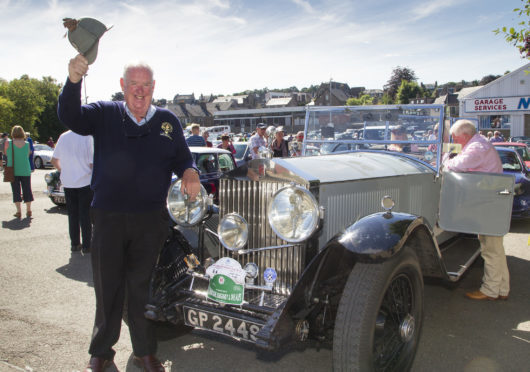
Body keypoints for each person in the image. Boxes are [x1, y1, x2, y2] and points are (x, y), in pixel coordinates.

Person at [58, 54, 201, 372]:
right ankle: (102, 352)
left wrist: (189, 171)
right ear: (122, 86)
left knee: (141, 288)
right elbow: (71, 116)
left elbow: (182, 156)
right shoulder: (104, 113)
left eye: (145, 85)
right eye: (133, 84)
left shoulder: (167, 120)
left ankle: (144, 352)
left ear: (154, 88)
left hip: (150, 220)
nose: (139, 91)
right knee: (107, 286)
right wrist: (73, 81)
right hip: (108, 215)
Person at [443, 119, 509, 301]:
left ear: (465, 135)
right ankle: (502, 288)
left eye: (455, 137)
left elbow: (453, 165)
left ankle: (490, 290)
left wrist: (445, 159)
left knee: (490, 249)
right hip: (490, 201)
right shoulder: (477, 144)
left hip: (489, 202)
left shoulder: (477, 148)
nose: (454, 141)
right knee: (495, 248)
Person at [51, 130, 94, 254]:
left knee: (73, 214)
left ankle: (75, 244)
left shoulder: (63, 136)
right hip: (85, 181)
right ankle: (87, 245)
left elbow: (54, 160)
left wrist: (63, 170)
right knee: (85, 215)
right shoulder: (87, 136)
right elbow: (92, 163)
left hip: (68, 182)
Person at [4, 126, 33, 219]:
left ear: (13, 133)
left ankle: (18, 211)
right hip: (25, 169)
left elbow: (5, 153)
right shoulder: (27, 143)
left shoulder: (8, 143)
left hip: (13, 171)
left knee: (16, 191)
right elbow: (28, 153)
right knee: (27, 190)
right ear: (22, 133)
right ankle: (28, 210)